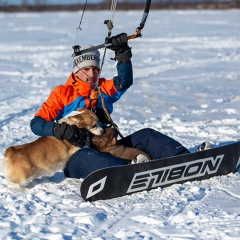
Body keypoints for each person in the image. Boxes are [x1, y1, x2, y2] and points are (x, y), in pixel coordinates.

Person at [30, 33, 191, 179]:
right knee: (86, 156)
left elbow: (124, 81)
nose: (92, 74)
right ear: (77, 70)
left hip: (110, 146)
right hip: (77, 156)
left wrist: (123, 56)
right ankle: (130, 171)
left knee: (146, 135)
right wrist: (59, 129)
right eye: (86, 69)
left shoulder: (102, 88)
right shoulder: (62, 93)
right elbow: (36, 124)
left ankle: (186, 160)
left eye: (95, 69)